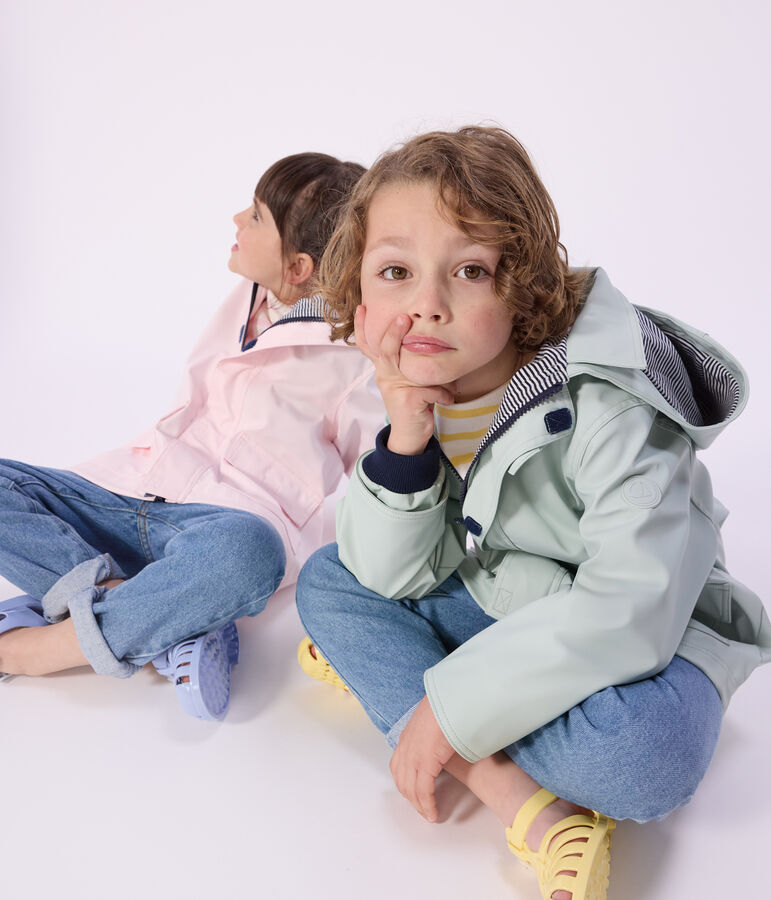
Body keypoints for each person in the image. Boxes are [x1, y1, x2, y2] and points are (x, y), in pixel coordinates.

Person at [294, 127, 771, 900]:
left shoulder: (611, 407)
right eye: (395, 273)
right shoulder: (417, 385)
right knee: (327, 582)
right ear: (358, 290)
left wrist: (447, 710)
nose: (426, 308)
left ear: (519, 284)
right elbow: (388, 570)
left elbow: (632, 604)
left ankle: (413, 694)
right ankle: (511, 793)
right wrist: (406, 442)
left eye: (470, 271)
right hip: (500, 598)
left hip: (652, 634)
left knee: (640, 761)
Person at [0, 152, 383, 721]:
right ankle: (164, 616)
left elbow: (376, 486)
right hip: (131, 489)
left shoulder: (355, 359)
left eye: (255, 217)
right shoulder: (248, 297)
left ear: (299, 266)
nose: (235, 220)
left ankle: (48, 646)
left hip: (223, 526)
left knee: (249, 556)